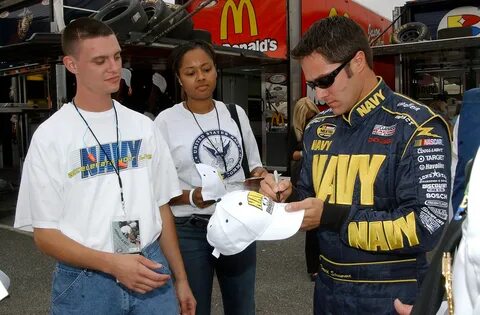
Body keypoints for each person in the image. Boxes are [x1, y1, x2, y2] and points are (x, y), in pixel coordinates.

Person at [260, 16, 451, 314]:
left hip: (393, 294)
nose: (320, 96)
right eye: (313, 85)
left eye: (325, 81)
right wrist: (286, 197)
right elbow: (308, 198)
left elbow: (429, 225)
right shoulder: (317, 128)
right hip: (327, 291)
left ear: (358, 61)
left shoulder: (417, 126)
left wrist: (333, 217)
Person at [13, 17, 195, 314]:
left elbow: (162, 207)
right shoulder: (51, 137)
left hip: (150, 266)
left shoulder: (143, 127)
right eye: (100, 61)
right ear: (71, 65)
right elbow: (45, 235)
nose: (114, 68)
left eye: (117, 56)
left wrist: (181, 278)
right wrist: (112, 264)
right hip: (87, 281)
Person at [154, 40, 268, 315]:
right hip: (189, 229)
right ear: (179, 79)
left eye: (206, 69)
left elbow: (254, 167)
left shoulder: (234, 113)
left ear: (216, 71)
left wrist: (265, 180)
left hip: (238, 223)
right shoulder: (165, 122)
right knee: (193, 307)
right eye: (191, 72)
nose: (200, 77)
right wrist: (192, 196)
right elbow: (158, 189)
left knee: (242, 307)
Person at [288, 97, 320, 281]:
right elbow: (290, 154)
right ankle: (313, 266)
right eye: (307, 117)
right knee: (312, 223)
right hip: (304, 174)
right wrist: (307, 152)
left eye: (313, 116)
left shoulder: (322, 126)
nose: (311, 120)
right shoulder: (295, 131)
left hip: (321, 172)